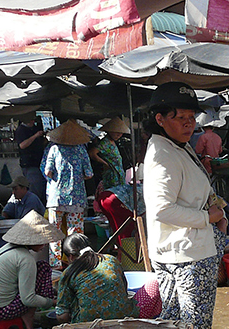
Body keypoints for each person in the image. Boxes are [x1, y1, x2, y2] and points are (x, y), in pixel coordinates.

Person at [143, 81, 226, 329]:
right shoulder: (163, 154)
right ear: (160, 119)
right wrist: (207, 218)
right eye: (180, 118)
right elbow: (161, 209)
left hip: (182, 250)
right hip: (187, 255)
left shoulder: (178, 146)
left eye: (191, 117)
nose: (189, 123)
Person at [0, 211, 62, 328]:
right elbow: (28, 299)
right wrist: (53, 302)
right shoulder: (25, 259)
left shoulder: (7, 248)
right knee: (43, 268)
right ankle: (28, 317)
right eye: (43, 241)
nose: (45, 244)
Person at [42, 119, 93, 269]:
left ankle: (55, 264)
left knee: (54, 232)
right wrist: (76, 178)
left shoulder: (54, 149)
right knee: (74, 232)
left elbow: (47, 172)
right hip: (76, 198)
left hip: (55, 197)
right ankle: (76, 263)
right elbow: (89, 174)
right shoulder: (81, 149)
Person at [54, 233, 139, 323]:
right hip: (124, 318)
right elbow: (124, 288)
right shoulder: (111, 259)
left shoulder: (69, 273)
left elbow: (62, 315)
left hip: (87, 326)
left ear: (70, 257)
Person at [93, 118, 143, 239]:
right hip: (111, 177)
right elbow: (93, 153)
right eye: (116, 133)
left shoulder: (113, 142)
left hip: (118, 176)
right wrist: (105, 163)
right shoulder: (104, 142)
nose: (118, 135)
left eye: (120, 133)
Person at [15, 113, 48, 202]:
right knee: (35, 188)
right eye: (31, 120)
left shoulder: (35, 128)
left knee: (42, 188)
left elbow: (41, 143)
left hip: (40, 162)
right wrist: (35, 136)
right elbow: (22, 145)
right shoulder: (21, 130)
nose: (33, 122)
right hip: (30, 164)